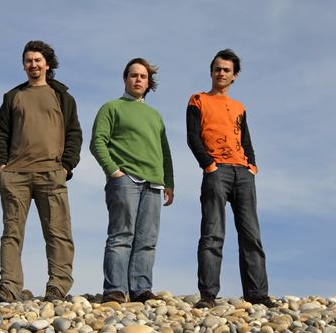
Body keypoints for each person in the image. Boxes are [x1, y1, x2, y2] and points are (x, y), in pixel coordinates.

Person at [0, 40, 82, 302]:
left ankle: (57, 287)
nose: (33, 64)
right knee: (11, 233)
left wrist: (66, 166)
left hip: (51, 173)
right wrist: (1, 163)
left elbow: (74, 133)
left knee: (58, 232)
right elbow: (1, 132)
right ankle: (8, 287)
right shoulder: (13, 96)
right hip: (16, 175)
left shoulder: (62, 97)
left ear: (47, 64)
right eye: (29, 60)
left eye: (38, 60)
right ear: (24, 65)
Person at [186, 49, 276, 308]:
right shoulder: (197, 100)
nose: (221, 73)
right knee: (213, 233)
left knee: (251, 235)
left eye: (226, 70)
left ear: (234, 75)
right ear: (211, 71)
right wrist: (209, 165)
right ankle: (208, 295)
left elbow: (246, 139)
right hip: (217, 172)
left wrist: (252, 166)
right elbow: (193, 137)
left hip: (243, 174)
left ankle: (257, 294)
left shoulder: (239, 107)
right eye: (217, 68)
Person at [90, 58, 174, 304]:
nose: (138, 79)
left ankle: (140, 288)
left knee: (147, 240)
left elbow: (165, 151)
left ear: (149, 83)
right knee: (121, 235)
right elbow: (98, 142)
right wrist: (114, 171)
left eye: (143, 76)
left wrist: (169, 182)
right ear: (125, 79)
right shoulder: (111, 107)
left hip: (154, 184)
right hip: (125, 180)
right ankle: (115, 289)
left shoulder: (155, 115)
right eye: (133, 75)